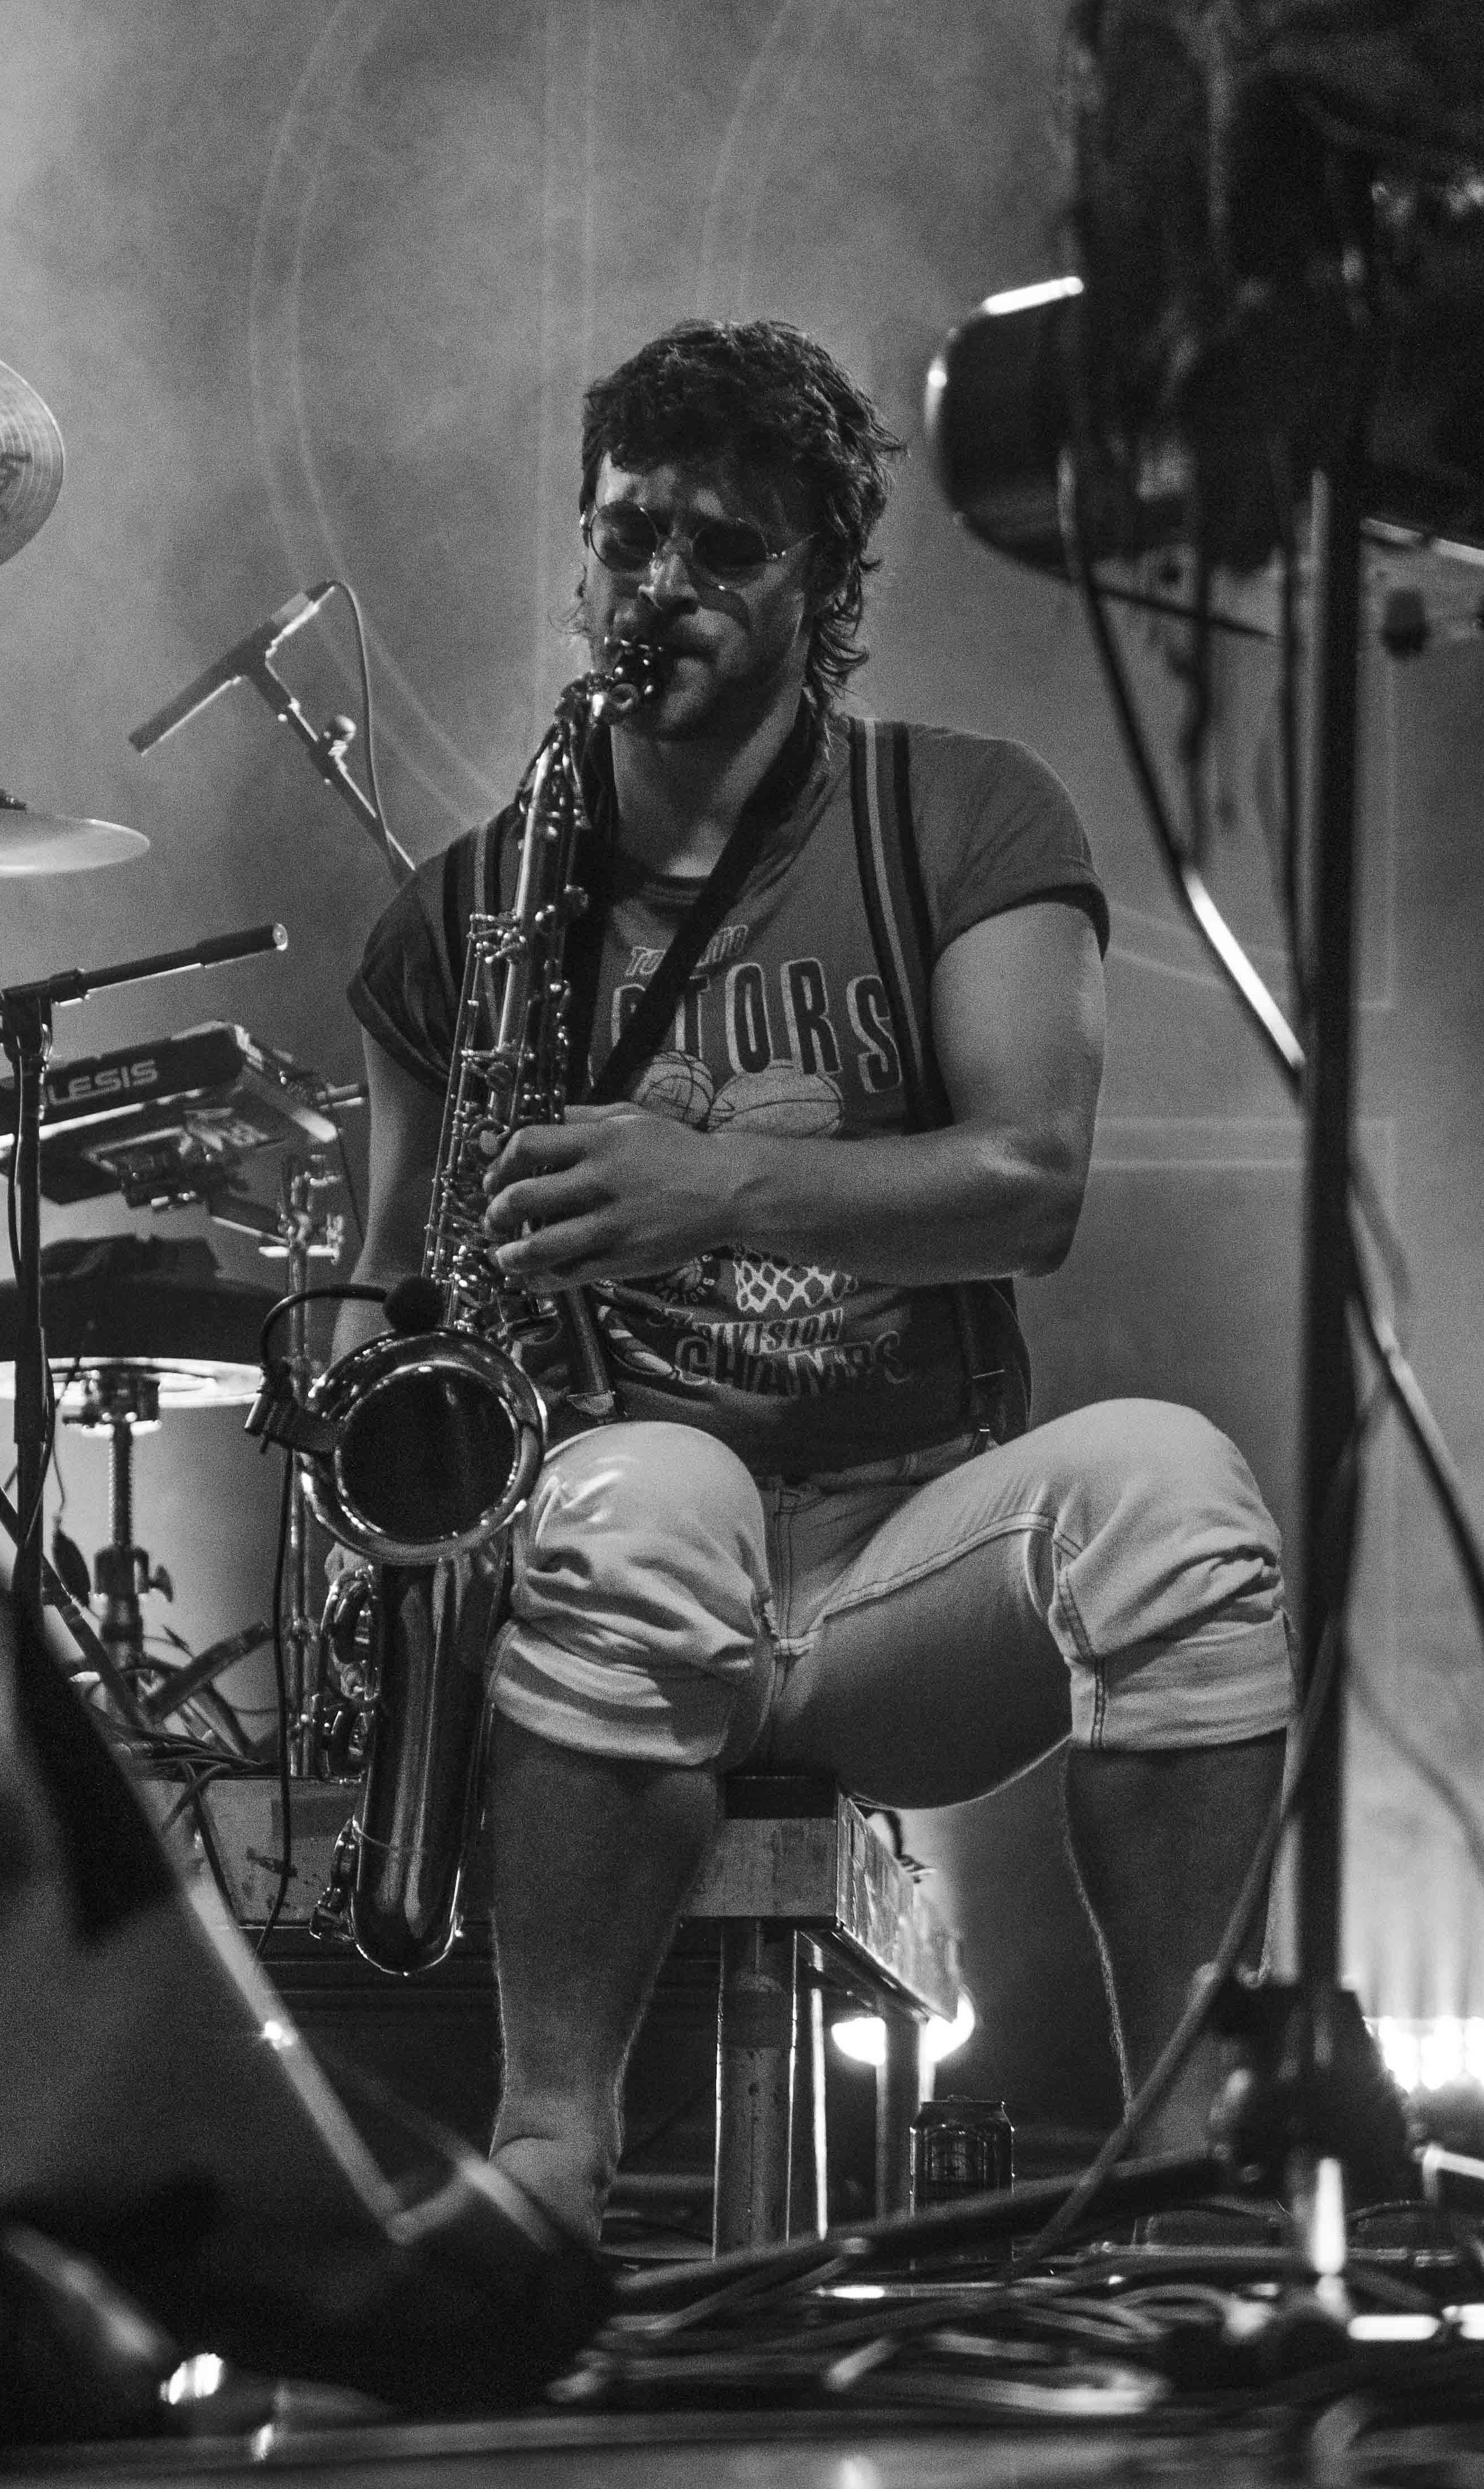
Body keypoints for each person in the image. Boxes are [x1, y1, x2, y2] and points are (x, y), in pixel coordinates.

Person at [341, 319, 1294, 2244]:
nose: (659, 586)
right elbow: (386, 1286)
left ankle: (1191, 2155)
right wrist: (380, 1521)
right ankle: (551, 2156)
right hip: (616, 1556)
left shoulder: (964, 813)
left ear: (825, 585)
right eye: (628, 537)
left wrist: (710, 1187)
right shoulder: (463, 913)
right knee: (647, 1493)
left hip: (904, 1571)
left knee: (1179, 1497)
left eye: (723, 547)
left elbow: (1029, 1185)